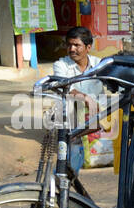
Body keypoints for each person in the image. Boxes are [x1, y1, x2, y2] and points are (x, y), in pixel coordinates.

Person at [37, 26, 105, 174]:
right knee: (72, 141)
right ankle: (64, 178)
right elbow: (66, 88)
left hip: (96, 115)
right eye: (69, 45)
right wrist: (87, 99)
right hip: (73, 115)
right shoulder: (61, 65)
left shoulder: (100, 64)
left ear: (88, 47)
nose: (72, 49)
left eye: (76, 45)